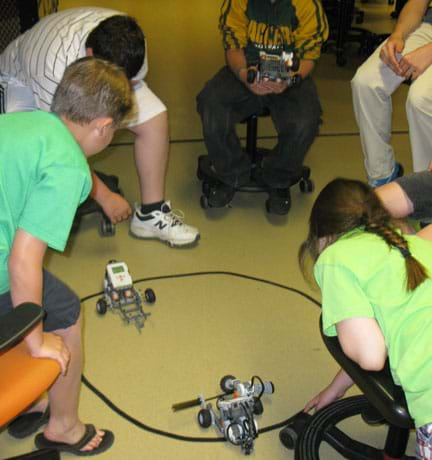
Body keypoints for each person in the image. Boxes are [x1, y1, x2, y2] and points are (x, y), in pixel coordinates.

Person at [1, 57, 133, 455]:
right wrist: (36, 338)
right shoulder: (67, 166)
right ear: (104, 126)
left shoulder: (28, 122)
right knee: (66, 312)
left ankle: (33, 401)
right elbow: (22, 262)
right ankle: (64, 425)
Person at [0, 6, 199, 247]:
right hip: (21, 81)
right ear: (90, 52)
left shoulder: (132, 44)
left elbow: (129, 84)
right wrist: (105, 197)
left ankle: (150, 215)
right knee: (34, 147)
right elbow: (60, 140)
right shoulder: (51, 67)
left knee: (155, 116)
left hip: (97, 76)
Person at [299, 177, 432, 458]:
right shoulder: (413, 246)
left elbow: (371, 355)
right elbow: (393, 324)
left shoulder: (336, 259)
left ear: (323, 236)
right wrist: (335, 390)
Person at [196, 0, 328, 214]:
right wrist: (243, 75)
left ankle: (278, 176)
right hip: (246, 67)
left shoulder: (307, 4)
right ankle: (231, 172)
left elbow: (310, 55)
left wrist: (290, 80)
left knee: (306, 121)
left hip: (291, 73)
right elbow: (233, 47)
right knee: (211, 103)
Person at [351, 0, 432, 188]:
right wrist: (398, 35)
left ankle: (426, 192)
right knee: (366, 83)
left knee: (422, 99)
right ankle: (382, 175)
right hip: (428, 26)